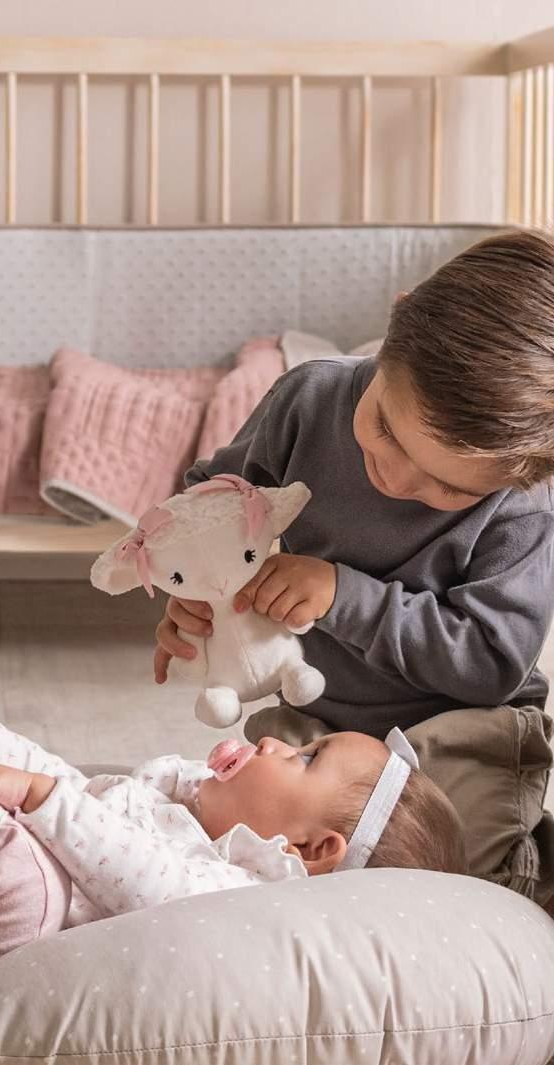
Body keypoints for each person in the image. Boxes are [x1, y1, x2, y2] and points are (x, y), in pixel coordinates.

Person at [153, 228, 554, 905]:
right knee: (236, 853)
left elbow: (490, 663)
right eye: (386, 430)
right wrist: (192, 595)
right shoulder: (310, 399)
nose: (395, 477)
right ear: (393, 326)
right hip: (319, 725)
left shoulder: (523, 508)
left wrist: (343, 596)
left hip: (458, 731)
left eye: (446, 486)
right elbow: (211, 510)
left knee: (459, 893)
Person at [0, 660, 463, 1065]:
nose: (273, 743)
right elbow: (71, 786)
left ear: (312, 850)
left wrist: (35, 795)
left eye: (306, 758)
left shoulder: (240, 894)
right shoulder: (166, 810)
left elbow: (146, 877)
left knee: (24, 876)